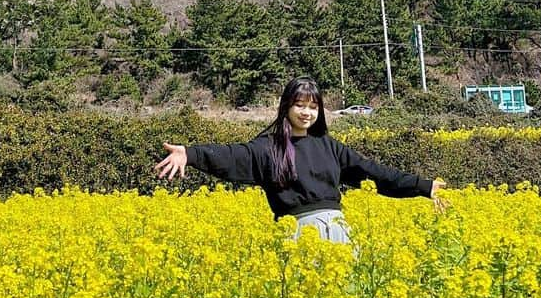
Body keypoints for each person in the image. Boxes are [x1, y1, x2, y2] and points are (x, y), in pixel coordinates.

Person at [154, 75, 448, 244]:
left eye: (313, 107)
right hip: (297, 236)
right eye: (299, 105)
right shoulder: (268, 148)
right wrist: (190, 154)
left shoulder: (329, 146)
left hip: (338, 234)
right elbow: (232, 156)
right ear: (286, 107)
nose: (306, 113)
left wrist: (422, 186)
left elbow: (374, 172)